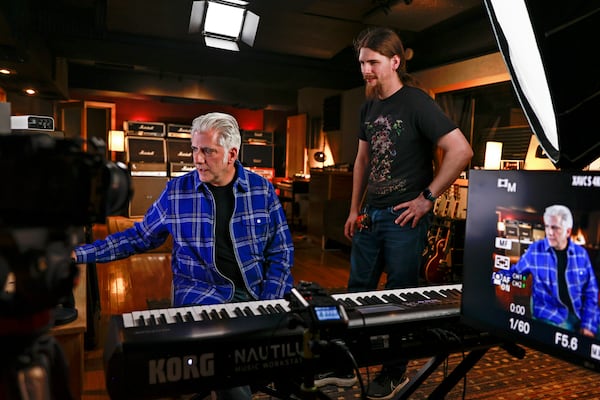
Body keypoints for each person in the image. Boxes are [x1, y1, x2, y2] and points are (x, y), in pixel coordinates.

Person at [73, 112, 294, 400]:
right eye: (194, 150)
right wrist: (79, 253)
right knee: (225, 357)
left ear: (231, 154)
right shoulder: (177, 192)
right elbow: (139, 237)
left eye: (207, 151)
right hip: (202, 295)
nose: (197, 159)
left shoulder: (261, 189)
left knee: (299, 348)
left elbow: (281, 252)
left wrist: (270, 303)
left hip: (256, 291)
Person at [340, 27, 473, 399]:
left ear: (395, 62)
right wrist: (354, 208)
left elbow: (461, 150)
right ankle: (347, 364)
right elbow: (363, 160)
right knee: (357, 292)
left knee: (399, 297)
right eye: (363, 62)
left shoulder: (415, 102)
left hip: (405, 217)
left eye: (374, 62)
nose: (366, 69)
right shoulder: (369, 106)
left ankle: (394, 371)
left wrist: (427, 198)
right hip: (371, 214)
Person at [510, 205, 598, 337]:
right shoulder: (536, 250)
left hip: (578, 314)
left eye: (555, 227)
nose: (549, 232)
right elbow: (514, 273)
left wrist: (588, 325)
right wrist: (490, 277)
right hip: (551, 314)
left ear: (568, 232)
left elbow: (591, 292)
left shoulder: (581, 254)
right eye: (547, 227)